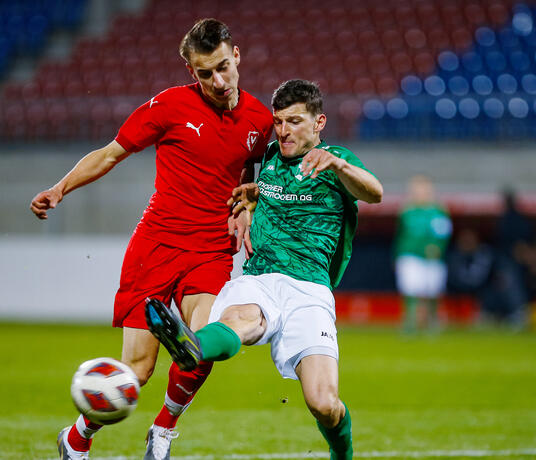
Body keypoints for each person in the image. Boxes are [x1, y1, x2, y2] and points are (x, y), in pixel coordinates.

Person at [29, 19, 274, 460]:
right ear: (189, 70)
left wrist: (248, 206)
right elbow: (110, 153)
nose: (218, 81)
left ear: (236, 56)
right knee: (139, 371)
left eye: (223, 67)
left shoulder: (260, 119)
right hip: (157, 246)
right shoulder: (168, 106)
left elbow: (249, 175)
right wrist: (60, 188)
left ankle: (162, 430)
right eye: (205, 73)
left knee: (201, 344)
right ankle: (77, 437)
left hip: (212, 248)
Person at [145, 79, 383, 460]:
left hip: (310, 289)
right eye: (279, 122)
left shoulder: (337, 161)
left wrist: (338, 164)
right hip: (261, 277)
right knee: (244, 318)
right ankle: (194, 346)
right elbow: (253, 184)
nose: (284, 131)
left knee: (324, 403)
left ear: (319, 122)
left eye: (294, 121)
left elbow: (374, 192)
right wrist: (247, 199)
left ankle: (344, 457)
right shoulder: (270, 155)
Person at [393, 175, 452, 333]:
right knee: (410, 288)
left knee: (433, 289)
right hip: (410, 254)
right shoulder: (407, 211)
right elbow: (400, 235)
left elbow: (444, 233)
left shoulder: (438, 211)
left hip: (432, 258)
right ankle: (410, 322)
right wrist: (397, 254)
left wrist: (437, 247)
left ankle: (432, 321)